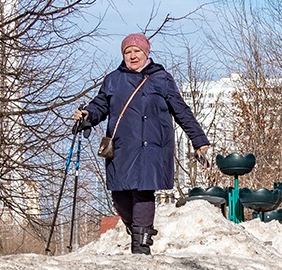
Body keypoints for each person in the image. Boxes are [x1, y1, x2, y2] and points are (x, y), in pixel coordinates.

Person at [73, 33, 211, 255]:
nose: (132, 55)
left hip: (152, 146)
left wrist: (199, 140)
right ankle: (137, 229)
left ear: (146, 53)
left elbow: (181, 110)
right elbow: (100, 105)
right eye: (127, 52)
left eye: (136, 51)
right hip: (122, 147)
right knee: (119, 195)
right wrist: (87, 114)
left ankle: (141, 246)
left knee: (143, 192)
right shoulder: (113, 79)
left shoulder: (161, 78)